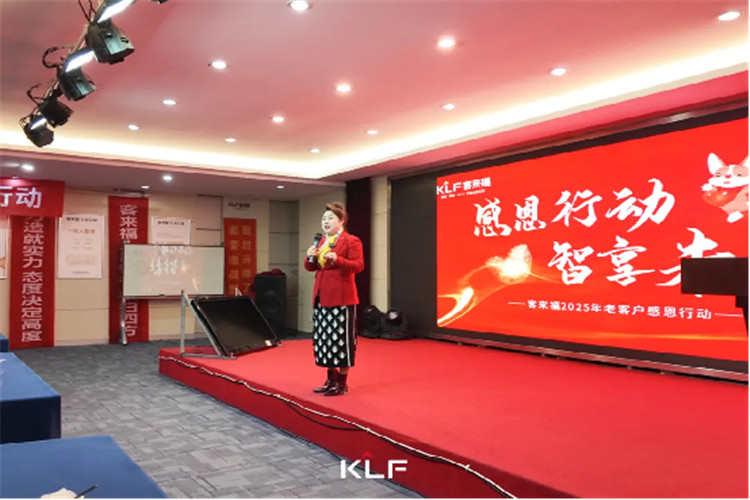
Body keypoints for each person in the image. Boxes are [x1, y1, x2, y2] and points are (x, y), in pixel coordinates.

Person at [304, 201, 364, 396]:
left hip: (342, 298)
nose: (326, 222)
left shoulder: (351, 240)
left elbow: (358, 266)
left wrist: (338, 259)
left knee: (341, 341)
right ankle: (330, 380)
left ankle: (342, 382)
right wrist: (310, 256)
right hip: (322, 297)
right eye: (324, 219)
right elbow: (311, 267)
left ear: (341, 221)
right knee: (325, 341)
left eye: (330, 218)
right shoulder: (322, 241)